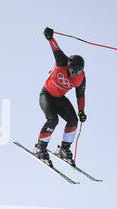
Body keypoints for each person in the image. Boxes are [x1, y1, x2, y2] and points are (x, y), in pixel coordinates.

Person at [35, 27, 87, 166]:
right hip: (46, 95)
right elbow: (55, 48)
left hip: (59, 99)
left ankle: (64, 149)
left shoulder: (80, 78)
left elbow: (80, 96)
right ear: (69, 65)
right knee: (53, 120)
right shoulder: (62, 61)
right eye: (72, 70)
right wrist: (49, 37)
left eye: (78, 71)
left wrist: (81, 111)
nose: (74, 74)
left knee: (73, 121)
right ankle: (40, 148)